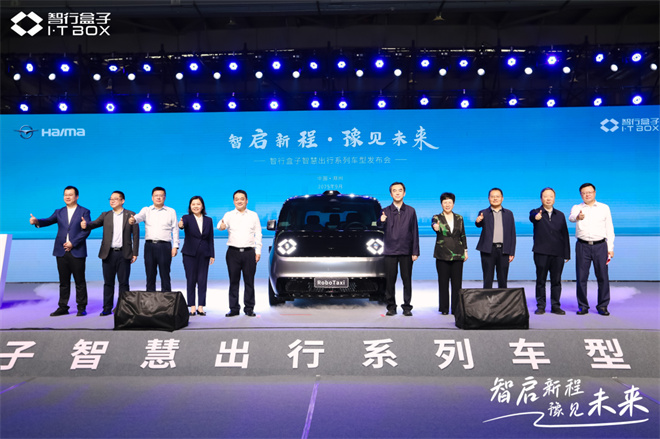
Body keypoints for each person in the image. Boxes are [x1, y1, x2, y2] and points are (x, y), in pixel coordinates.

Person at [29, 186, 91, 316]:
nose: (67, 197)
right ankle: (63, 307)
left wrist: (73, 243)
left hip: (77, 251)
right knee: (63, 282)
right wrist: (36, 221)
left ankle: (81, 308)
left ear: (77, 197)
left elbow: (86, 230)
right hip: (61, 251)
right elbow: (48, 221)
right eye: (65, 194)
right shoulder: (59, 212)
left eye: (70, 194)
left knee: (80, 281)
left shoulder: (84, 211)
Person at [81, 191, 139, 316]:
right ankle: (107, 308)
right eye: (110, 199)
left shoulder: (131, 215)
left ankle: (123, 308)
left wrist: (135, 253)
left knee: (124, 283)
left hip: (124, 253)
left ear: (122, 201)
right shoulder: (105, 215)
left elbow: (136, 235)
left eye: (115, 199)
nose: (112, 201)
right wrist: (85, 225)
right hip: (108, 254)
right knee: (108, 283)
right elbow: (94, 224)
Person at [569, 183, 615, 316]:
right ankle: (583, 306)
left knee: (603, 277)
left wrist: (610, 247)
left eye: (589, 192)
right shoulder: (577, 208)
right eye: (584, 193)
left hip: (601, 246)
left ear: (594, 193)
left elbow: (609, 228)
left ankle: (603, 306)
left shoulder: (604, 208)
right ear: (581, 195)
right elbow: (571, 218)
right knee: (581, 277)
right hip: (582, 246)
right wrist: (577, 217)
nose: (587, 195)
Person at [217, 190, 262, 317]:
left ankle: (249, 308)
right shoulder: (229, 215)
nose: (239, 201)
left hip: (249, 253)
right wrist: (221, 226)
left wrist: (258, 251)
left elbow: (258, 234)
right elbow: (220, 226)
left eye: (242, 199)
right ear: (234, 201)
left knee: (249, 282)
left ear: (247, 200)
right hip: (233, 253)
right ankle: (234, 308)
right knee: (233, 282)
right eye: (236, 199)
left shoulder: (253, 215)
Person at [380, 182, 419, 316]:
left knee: (407, 280)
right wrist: (381, 221)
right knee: (390, 281)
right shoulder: (385, 211)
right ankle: (391, 307)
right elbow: (378, 229)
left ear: (404, 193)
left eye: (400, 190)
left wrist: (415, 251)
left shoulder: (411, 211)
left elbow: (415, 232)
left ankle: (407, 307)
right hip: (390, 251)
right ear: (391, 194)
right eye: (394, 191)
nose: (397, 193)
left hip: (406, 251)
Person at [529, 188, 570, 315]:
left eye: (551, 196)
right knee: (540, 280)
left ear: (554, 198)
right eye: (545, 196)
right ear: (541, 198)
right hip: (541, 252)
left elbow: (565, 234)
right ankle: (541, 306)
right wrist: (536, 217)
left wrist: (567, 253)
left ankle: (555, 306)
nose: (548, 199)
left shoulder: (560, 215)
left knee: (556, 281)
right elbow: (532, 217)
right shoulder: (536, 212)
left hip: (558, 253)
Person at [129, 187, 179, 292]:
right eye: (156, 196)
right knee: (150, 274)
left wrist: (175, 246)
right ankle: (150, 299)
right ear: (152, 197)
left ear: (165, 197)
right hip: (149, 246)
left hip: (164, 246)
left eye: (161, 195)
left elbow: (175, 229)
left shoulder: (171, 211)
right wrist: (133, 219)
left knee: (165, 274)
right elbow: (138, 217)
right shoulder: (146, 210)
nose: (158, 198)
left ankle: (166, 299)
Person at [178, 196, 215, 316]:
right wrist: (180, 225)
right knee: (191, 280)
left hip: (204, 254)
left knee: (202, 280)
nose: (195, 206)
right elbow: (182, 225)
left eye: (198, 204)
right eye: (193, 204)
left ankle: (201, 307)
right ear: (190, 206)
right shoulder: (186, 218)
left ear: (202, 206)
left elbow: (210, 238)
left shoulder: (208, 220)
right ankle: (192, 307)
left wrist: (212, 254)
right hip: (189, 254)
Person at [432, 192, 468, 315]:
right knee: (443, 282)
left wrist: (465, 250)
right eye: (445, 202)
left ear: (453, 203)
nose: (447, 205)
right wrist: (435, 227)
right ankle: (444, 308)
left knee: (457, 283)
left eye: (449, 202)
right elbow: (434, 224)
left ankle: (456, 308)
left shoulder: (459, 218)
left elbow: (463, 235)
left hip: (458, 254)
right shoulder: (437, 217)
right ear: (441, 204)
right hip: (442, 254)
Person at [475, 188, 516, 288]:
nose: (495, 198)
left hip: (504, 250)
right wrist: (478, 221)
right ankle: (487, 297)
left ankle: (502, 298)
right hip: (488, 249)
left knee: (503, 279)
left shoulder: (509, 213)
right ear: (489, 198)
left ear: (502, 198)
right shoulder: (483, 213)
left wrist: (512, 251)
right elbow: (478, 225)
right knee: (487, 278)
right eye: (492, 196)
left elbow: (512, 233)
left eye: (497, 196)